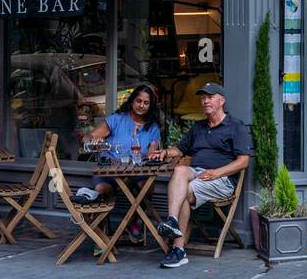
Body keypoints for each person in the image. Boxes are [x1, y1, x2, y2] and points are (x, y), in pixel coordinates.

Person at [149, 82, 251, 268]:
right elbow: (180, 150)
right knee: (179, 170)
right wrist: (164, 152)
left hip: (221, 180)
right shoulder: (199, 127)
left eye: (210, 97)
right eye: (203, 98)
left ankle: (178, 249)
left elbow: (243, 161)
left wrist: (216, 173)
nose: (205, 101)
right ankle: (172, 220)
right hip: (196, 174)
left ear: (222, 100)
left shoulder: (235, 126)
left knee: (184, 192)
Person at [73, 84, 162, 242]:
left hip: (137, 171)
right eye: (138, 101)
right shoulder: (116, 119)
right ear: (132, 101)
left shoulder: (152, 127)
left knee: (147, 188)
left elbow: (151, 153)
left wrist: (152, 155)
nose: (141, 105)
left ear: (151, 105)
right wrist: (94, 140)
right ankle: (99, 236)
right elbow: (89, 138)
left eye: (146, 103)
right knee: (101, 189)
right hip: (110, 171)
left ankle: (132, 222)